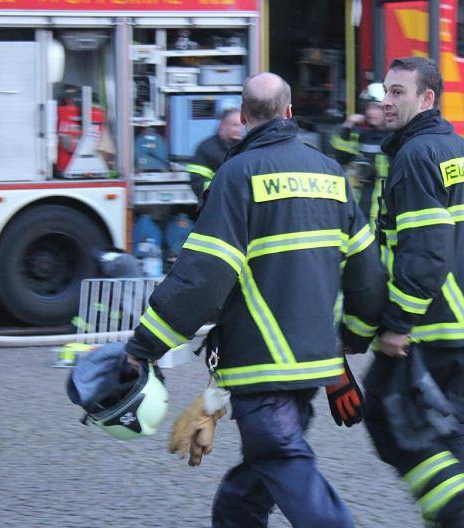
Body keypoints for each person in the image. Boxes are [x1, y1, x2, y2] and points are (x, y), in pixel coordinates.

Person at [124, 72, 386, 528]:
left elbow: (203, 277)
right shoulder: (330, 173)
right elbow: (365, 268)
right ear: (289, 111)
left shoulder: (236, 175)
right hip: (311, 364)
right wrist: (355, 337)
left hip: (261, 365)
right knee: (245, 497)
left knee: (281, 459)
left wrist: (144, 346)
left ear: (244, 117)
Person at [362, 57, 464, 528]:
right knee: (446, 432)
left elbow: (426, 251)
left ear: (427, 98)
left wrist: (398, 324)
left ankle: (460, 516)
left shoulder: (414, 157)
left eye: (398, 93)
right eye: (385, 92)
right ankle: (459, 516)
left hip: (430, 329)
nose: (386, 102)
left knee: (388, 416)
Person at [330, 83, 391, 224]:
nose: (371, 112)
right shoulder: (360, 135)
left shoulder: (395, 139)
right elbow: (341, 157)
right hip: (359, 211)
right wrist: (348, 125)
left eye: (377, 108)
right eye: (369, 107)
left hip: (383, 214)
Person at [186, 107, 245, 197]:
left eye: (241, 125)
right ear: (222, 125)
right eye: (234, 125)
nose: (239, 130)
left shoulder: (245, 146)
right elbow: (198, 184)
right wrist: (225, 191)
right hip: (216, 200)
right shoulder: (206, 148)